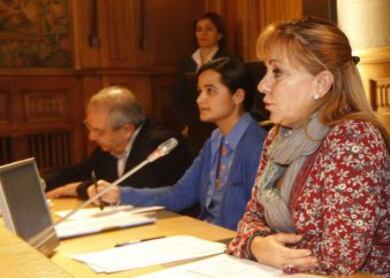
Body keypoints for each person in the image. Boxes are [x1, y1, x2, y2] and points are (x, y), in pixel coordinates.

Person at [227, 17, 390, 276]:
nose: (262, 85)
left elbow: (342, 257)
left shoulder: (354, 139)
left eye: (277, 72)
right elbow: (250, 218)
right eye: (266, 71)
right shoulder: (278, 136)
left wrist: (266, 250)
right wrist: (258, 245)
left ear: (321, 84)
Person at [89, 58, 266, 230]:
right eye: (200, 91)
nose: (199, 99)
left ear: (238, 96)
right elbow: (181, 193)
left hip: (237, 245)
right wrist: (120, 194)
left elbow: (260, 216)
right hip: (209, 236)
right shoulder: (215, 140)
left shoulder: (258, 144)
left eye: (210, 91)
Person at [44, 86, 191, 200]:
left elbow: (125, 190)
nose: (91, 137)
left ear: (127, 129)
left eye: (99, 131)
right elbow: (81, 171)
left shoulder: (161, 144)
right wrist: (42, 182)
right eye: (89, 127)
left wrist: (75, 189)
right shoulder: (112, 142)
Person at [173, 12, 230, 157]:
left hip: (217, 122)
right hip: (193, 126)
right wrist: (184, 124)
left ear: (219, 34)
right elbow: (177, 96)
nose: (202, 33)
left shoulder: (228, 61)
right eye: (199, 29)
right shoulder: (187, 62)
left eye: (209, 29)